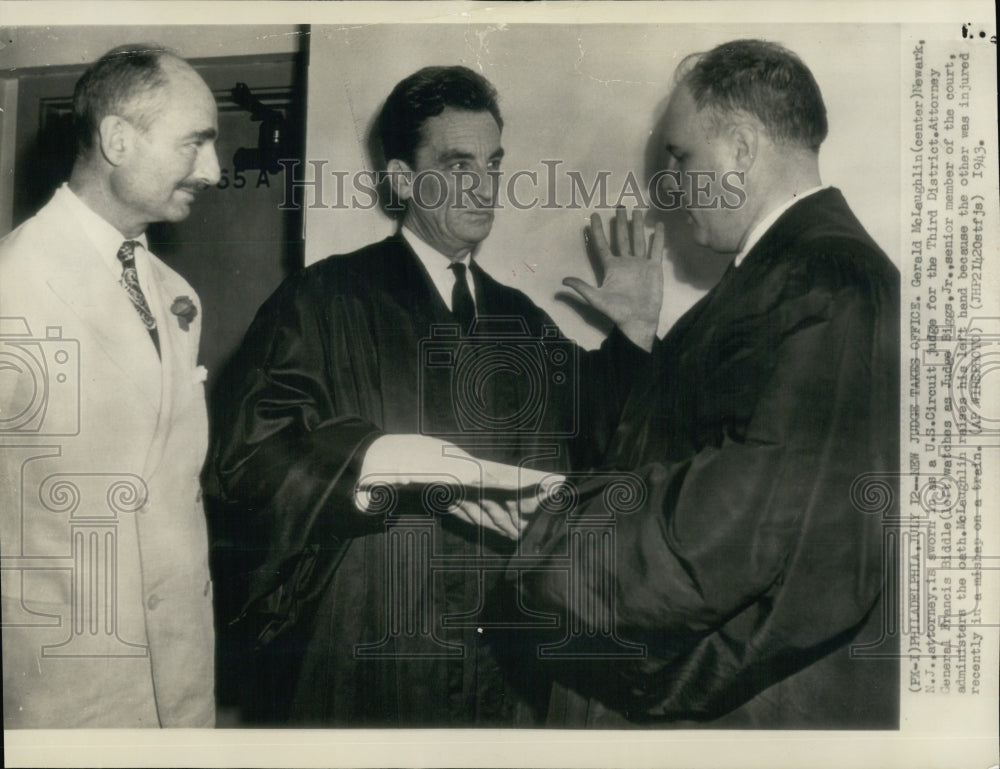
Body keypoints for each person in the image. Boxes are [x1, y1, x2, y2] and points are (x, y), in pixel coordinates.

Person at [208, 65, 661, 726]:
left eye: (493, 163)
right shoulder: (322, 302)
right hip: (373, 663)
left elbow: (606, 440)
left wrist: (635, 335)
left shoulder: (522, 322)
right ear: (400, 178)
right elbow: (248, 462)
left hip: (502, 675)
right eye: (456, 164)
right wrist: (377, 462)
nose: (483, 186)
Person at [516, 39, 900, 728]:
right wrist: (637, 339)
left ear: (743, 149)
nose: (670, 185)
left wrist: (549, 530)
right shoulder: (774, 281)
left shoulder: (829, 280)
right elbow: (667, 462)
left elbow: (742, 527)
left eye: (681, 157)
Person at [0, 44, 221, 727]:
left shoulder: (173, 291)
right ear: (118, 139)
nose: (213, 171)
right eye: (195, 144)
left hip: (179, 679)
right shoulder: (13, 282)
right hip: (64, 692)